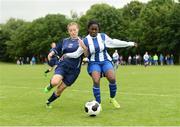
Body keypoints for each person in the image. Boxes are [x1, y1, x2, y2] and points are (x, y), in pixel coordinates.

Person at [82, 20, 137, 109]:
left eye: (96, 29)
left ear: (98, 29)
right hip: (93, 63)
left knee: (112, 78)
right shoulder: (85, 40)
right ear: (88, 29)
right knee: (96, 81)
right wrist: (66, 55)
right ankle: (98, 103)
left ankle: (112, 98)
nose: (94, 31)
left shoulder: (103, 37)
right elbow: (79, 52)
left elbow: (115, 42)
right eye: (92, 29)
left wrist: (130, 43)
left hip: (105, 61)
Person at [44, 22, 88, 108]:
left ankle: (48, 101)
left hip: (74, 71)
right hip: (63, 66)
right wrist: (51, 53)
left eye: (74, 30)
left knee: (60, 89)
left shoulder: (83, 41)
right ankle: (50, 85)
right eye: (71, 30)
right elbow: (56, 48)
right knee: (55, 82)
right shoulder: (64, 41)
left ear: (78, 30)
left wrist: (85, 48)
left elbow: (86, 54)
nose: (73, 32)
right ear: (68, 31)